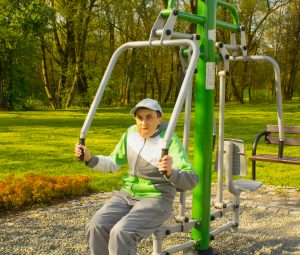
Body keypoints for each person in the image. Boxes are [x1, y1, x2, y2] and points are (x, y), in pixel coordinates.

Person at [74, 98, 198, 255]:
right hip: (126, 195)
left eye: (149, 117)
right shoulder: (131, 133)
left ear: (160, 119)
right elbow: (113, 163)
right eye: (139, 117)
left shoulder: (169, 141)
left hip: (156, 199)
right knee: (96, 225)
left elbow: (192, 179)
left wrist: (171, 172)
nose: (143, 123)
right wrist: (89, 159)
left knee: (121, 232)